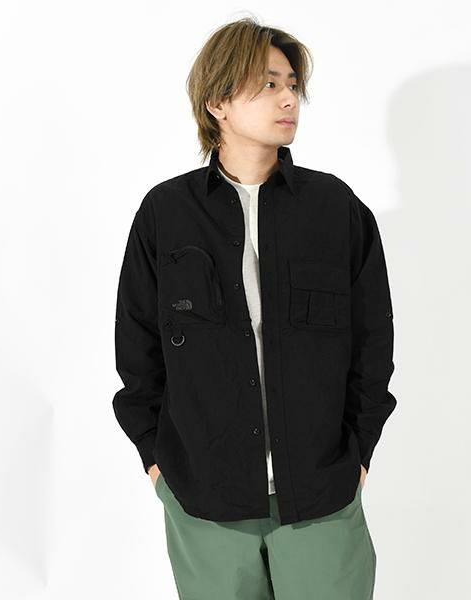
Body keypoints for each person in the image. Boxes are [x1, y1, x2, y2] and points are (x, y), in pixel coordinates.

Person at [112, 16, 397, 599]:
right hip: (205, 501)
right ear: (217, 102)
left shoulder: (335, 209)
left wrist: (359, 452)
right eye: (268, 84)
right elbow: (138, 350)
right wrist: (158, 462)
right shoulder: (165, 215)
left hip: (320, 495)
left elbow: (373, 342)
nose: (289, 98)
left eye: (292, 84)